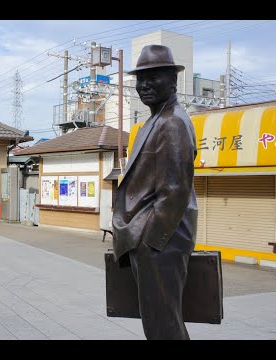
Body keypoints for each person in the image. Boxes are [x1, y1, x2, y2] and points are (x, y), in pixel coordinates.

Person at [112, 45, 198, 340]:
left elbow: (175, 190)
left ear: (173, 80)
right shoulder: (158, 119)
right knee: (161, 320)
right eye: (141, 78)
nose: (145, 85)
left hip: (160, 242)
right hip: (154, 241)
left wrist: (150, 243)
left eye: (154, 77)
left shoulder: (172, 122)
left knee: (164, 325)